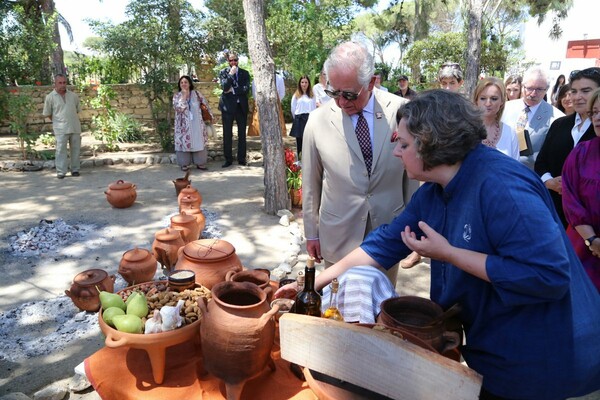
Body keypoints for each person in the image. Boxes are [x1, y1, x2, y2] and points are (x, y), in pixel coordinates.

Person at [278, 89, 600, 400]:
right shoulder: (433, 192)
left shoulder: (502, 186)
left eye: (403, 144)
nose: (395, 152)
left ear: (429, 144)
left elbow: (549, 275)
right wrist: (310, 283)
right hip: (494, 344)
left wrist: (449, 254)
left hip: (537, 353)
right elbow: (383, 244)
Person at [302, 41, 416, 285]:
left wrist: (410, 224)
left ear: (372, 82)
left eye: (350, 94)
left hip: (387, 231)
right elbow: (311, 183)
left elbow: (412, 177)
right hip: (338, 235)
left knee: (380, 308)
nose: (341, 102)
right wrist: (311, 233)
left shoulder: (402, 111)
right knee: (335, 308)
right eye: (334, 92)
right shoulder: (316, 121)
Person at [534, 67, 599, 227]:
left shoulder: (597, 128)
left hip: (589, 219)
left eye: (585, 91)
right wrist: (549, 182)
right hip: (553, 210)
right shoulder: (560, 124)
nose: (577, 97)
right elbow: (541, 163)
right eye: (574, 91)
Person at [562, 88, 600, 292]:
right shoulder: (582, 153)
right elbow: (570, 198)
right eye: (594, 112)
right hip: (582, 247)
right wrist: (592, 240)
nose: (598, 118)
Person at [501, 67, 564, 169]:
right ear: (522, 87)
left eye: (539, 89)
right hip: (502, 169)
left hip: (531, 176)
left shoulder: (557, 118)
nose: (533, 94)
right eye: (529, 88)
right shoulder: (504, 108)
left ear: (546, 90)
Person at [42, 73, 82, 179]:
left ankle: (75, 169)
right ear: (55, 83)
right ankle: (61, 171)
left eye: (64, 82)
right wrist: (58, 121)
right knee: (60, 150)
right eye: (60, 83)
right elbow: (48, 113)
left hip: (74, 126)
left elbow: (77, 110)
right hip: (60, 128)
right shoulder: (50, 97)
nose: (63, 85)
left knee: (76, 149)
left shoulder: (73, 96)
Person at [472, 77, 519, 160]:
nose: (488, 103)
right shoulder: (464, 131)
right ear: (476, 101)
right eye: (483, 98)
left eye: (494, 99)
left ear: (501, 101)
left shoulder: (510, 133)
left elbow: (515, 166)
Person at [172, 75, 212, 171]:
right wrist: (184, 96)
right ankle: (184, 164)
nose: (184, 84)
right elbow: (179, 108)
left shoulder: (197, 94)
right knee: (183, 143)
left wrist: (211, 118)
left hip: (197, 124)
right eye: (181, 83)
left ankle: (200, 163)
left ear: (190, 84)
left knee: (198, 141)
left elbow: (206, 106)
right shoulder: (177, 96)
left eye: (186, 82)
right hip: (182, 126)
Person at [218, 51, 250, 168]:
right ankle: (228, 159)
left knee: (242, 134)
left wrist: (234, 90)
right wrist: (231, 75)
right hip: (227, 107)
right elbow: (225, 87)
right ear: (228, 61)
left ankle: (241, 159)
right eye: (231, 60)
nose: (233, 62)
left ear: (238, 60)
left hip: (241, 107)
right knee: (227, 134)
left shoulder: (245, 73)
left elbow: (246, 89)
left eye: (235, 60)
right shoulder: (223, 72)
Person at [289, 75, 316, 158]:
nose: (304, 84)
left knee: (309, 141)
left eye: (306, 82)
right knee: (299, 141)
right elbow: (293, 109)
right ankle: (300, 160)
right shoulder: (296, 96)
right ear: (300, 84)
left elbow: (314, 108)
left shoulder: (312, 96)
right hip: (299, 120)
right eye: (302, 82)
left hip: (309, 119)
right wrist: (297, 119)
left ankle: (309, 160)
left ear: (308, 84)